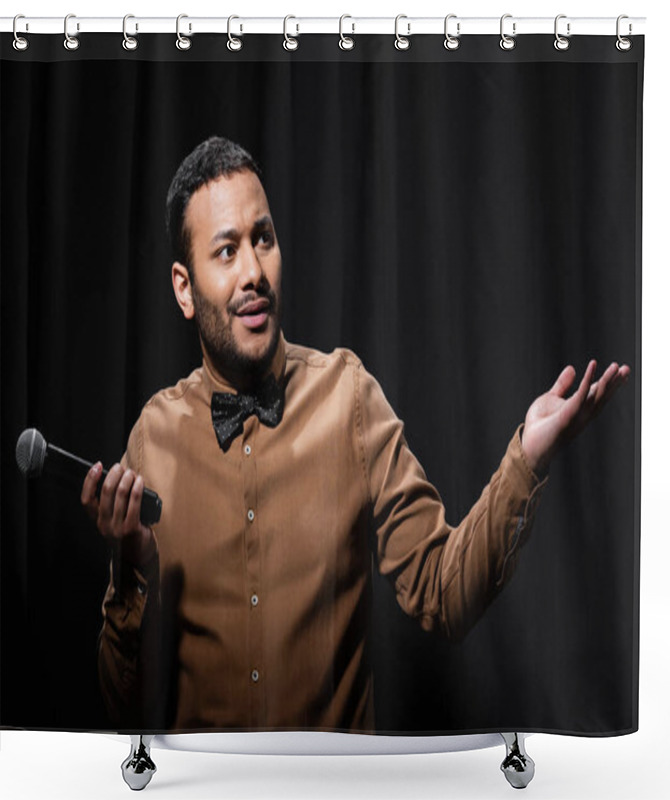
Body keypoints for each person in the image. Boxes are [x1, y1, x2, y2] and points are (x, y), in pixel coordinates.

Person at [83, 137, 630, 733]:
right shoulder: (153, 439)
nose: (254, 273)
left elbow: (442, 593)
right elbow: (123, 709)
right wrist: (130, 571)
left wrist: (527, 457)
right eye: (226, 251)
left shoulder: (349, 397)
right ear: (184, 288)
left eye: (263, 238)